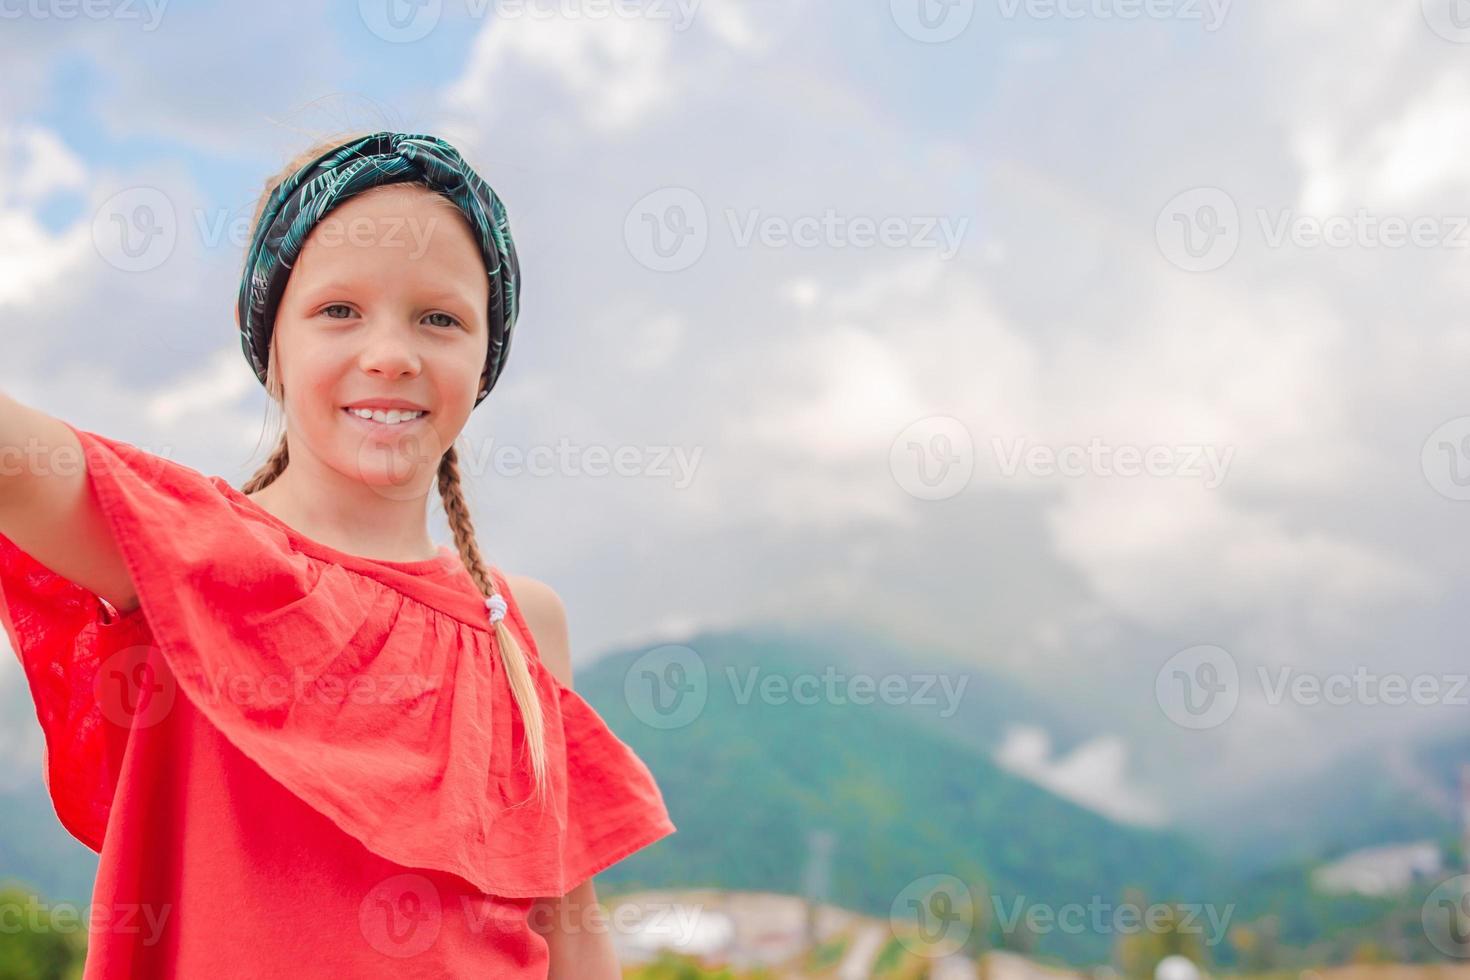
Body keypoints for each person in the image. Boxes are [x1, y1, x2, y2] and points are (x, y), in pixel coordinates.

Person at [0, 131, 676, 978]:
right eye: (338, 311)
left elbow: (571, 926)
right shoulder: (193, 551)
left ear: (486, 356)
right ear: (270, 343)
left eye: (440, 318)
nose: (391, 354)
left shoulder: (522, 622)